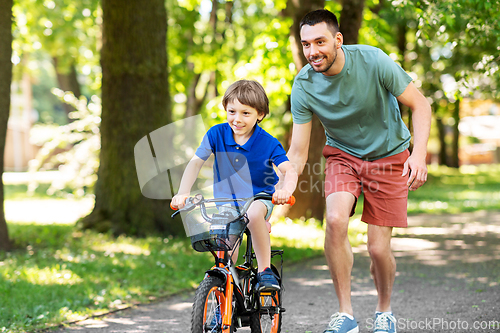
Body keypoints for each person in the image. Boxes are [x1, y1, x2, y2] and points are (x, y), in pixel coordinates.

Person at [286, 9, 431, 333]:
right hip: (343, 156)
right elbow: (297, 151)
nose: (313, 52)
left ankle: (384, 311)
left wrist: (417, 156)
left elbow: (421, 104)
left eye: (320, 42)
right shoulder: (304, 85)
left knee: (378, 250)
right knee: (335, 221)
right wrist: (281, 187)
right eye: (306, 44)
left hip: (390, 155)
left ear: (338, 40)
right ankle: (345, 314)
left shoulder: (373, 61)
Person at [171, 79, 298, 291]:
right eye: (232, 111)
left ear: (260, 114)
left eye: (245, 113)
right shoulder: (216, 134)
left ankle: (265, 271)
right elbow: (195, 164)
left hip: (260, 198)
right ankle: (221, 295)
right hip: (227, 202)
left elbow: (289, 170)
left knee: (254, 215)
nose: (237, 119)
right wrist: (183, 193)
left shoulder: (268, 142)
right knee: (225, 249)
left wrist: (285, 191)